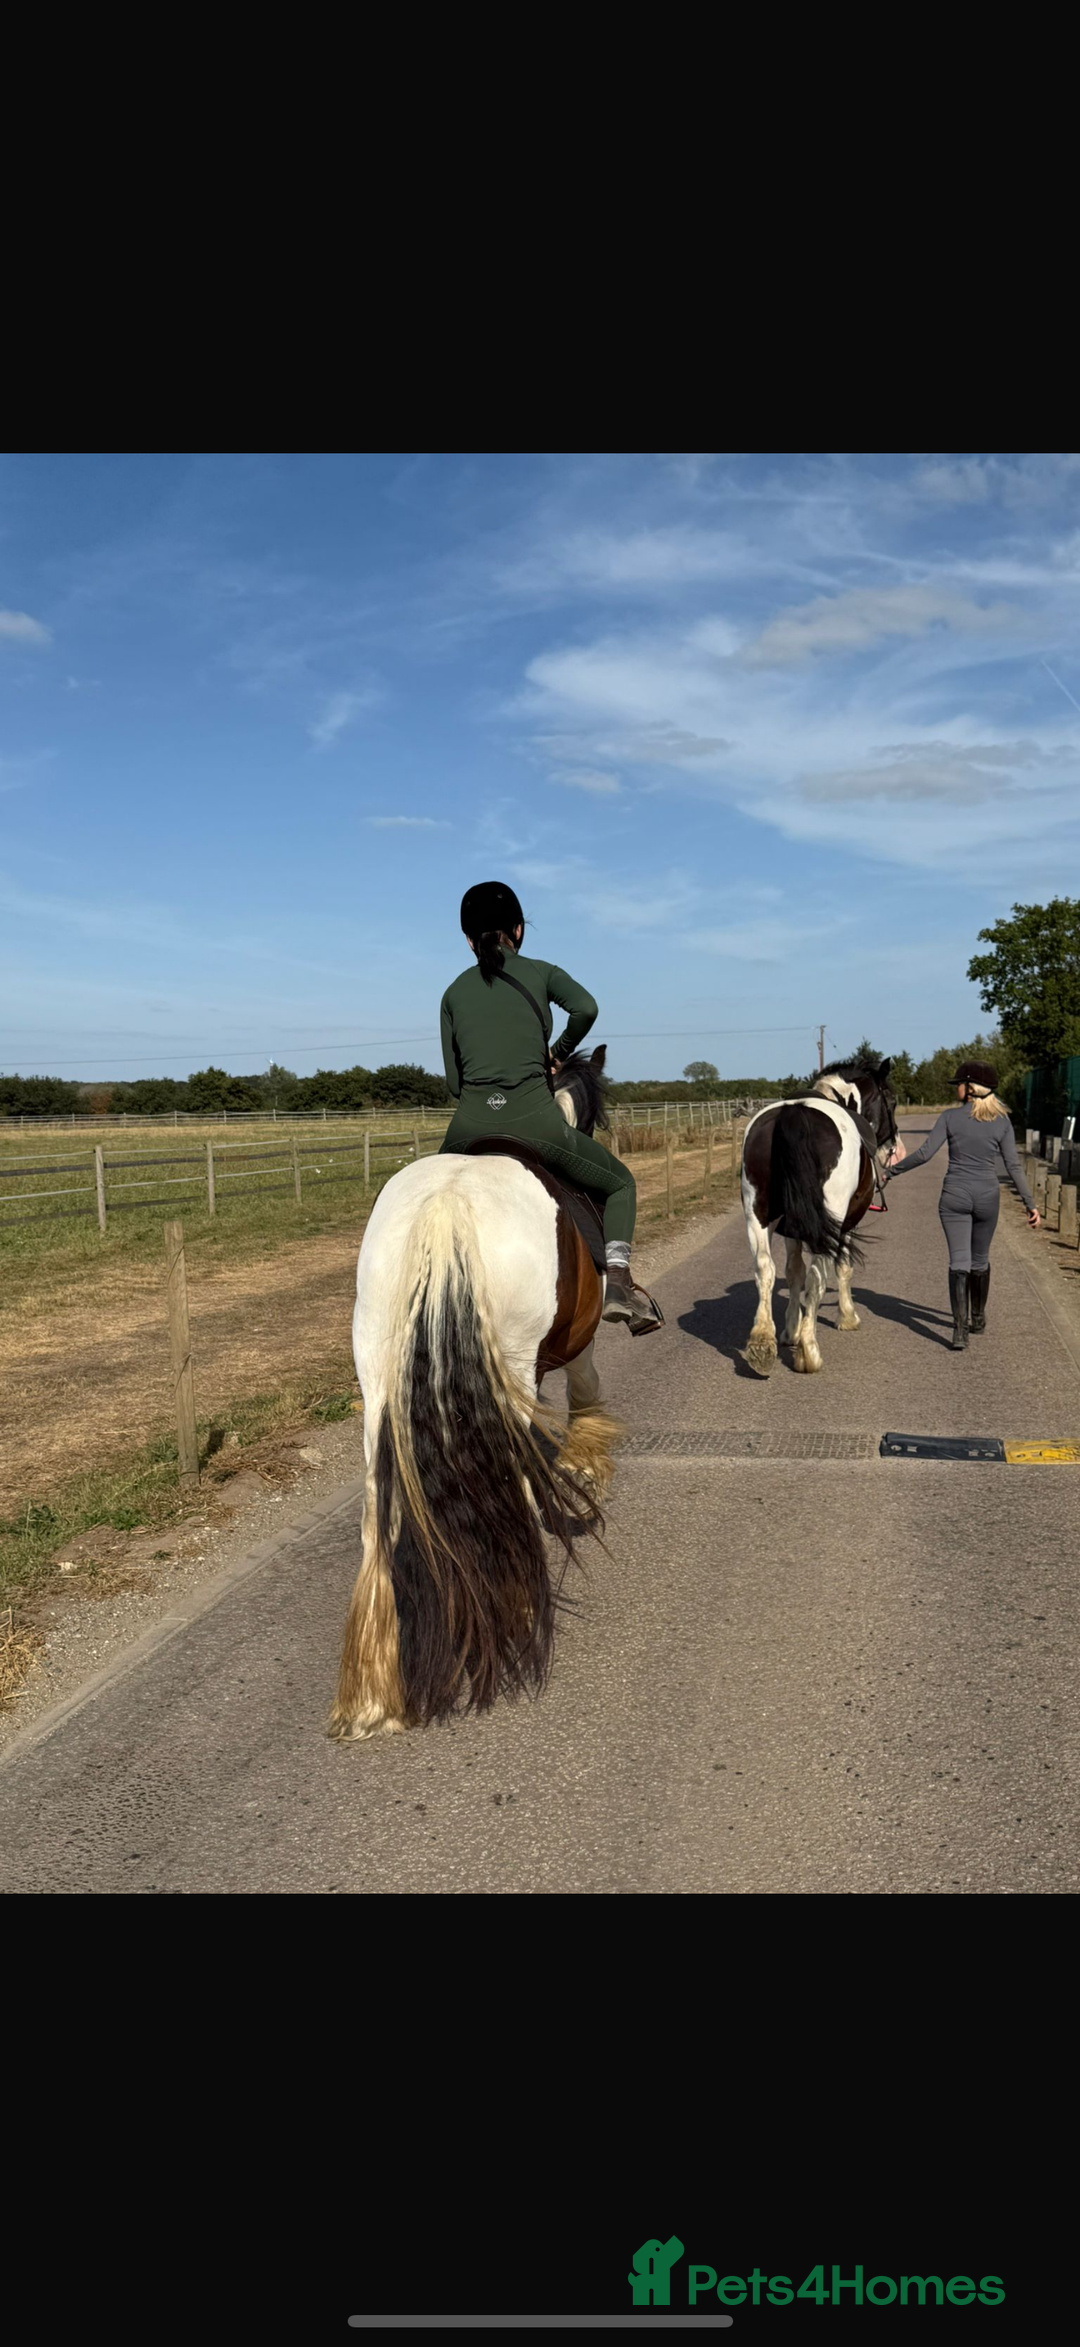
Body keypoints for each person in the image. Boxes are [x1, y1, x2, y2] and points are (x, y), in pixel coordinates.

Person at [439, 881, 660, 1328]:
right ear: (518, 930)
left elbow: (454, 1084)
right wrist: (557, 1052)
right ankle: (618, 1284)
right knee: (621, 1184)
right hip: (536, 1125)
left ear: (467, 939)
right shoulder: (541, 973)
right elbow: (586, 1008)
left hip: (466, 1129)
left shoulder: (452, 993)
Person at [884, 1060, 1040, 1350]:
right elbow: (1013, 1167)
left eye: (959, 1083)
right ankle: (977, 1318)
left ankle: (959, 1332)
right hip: (987, 1197)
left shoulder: (949, 1118)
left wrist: (890, 1172)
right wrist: (1030, 1204)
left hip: (954, 1196)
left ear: (970, 1088)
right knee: (979, 1259)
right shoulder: (1002, 1121)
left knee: (959, 1261)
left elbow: (924, 1154)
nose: (956, 1088)